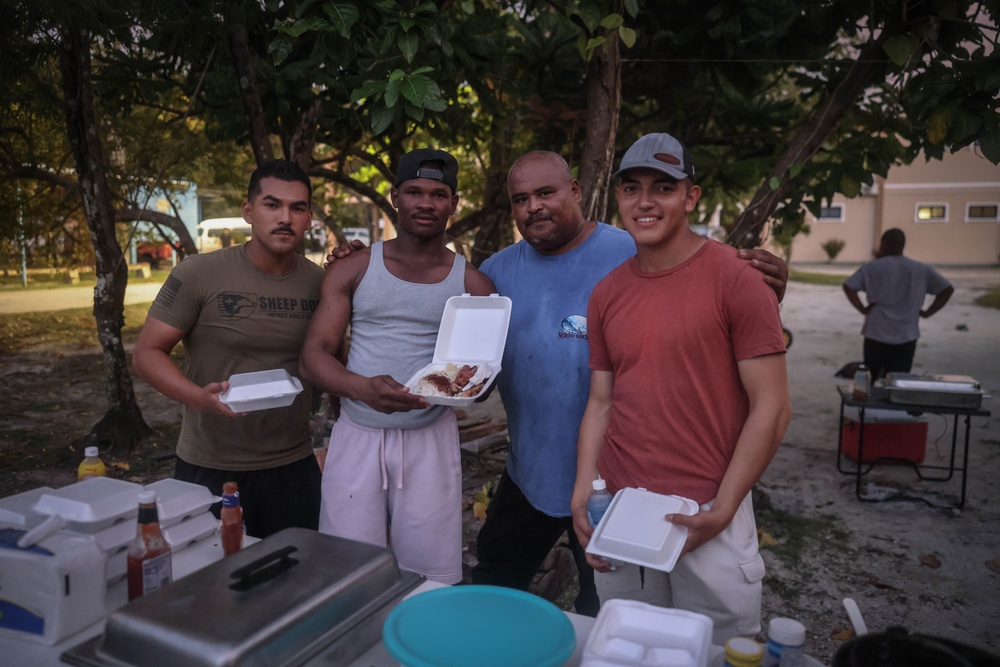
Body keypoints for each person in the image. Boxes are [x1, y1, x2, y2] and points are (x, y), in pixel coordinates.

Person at [469, 150, 789, 617]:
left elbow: (708, 295)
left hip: (617, 483)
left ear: (576, 191)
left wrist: (763, 289)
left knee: (612, 614)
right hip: (532, 473)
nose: (533, 206)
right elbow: (462, 345)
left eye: (546, 192)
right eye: (521, 198)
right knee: (495, 592)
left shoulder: (633, 249)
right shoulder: (498, 272)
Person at [570, 133, 791, 644]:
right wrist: (584, 491)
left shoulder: (737, 280)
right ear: (618, 198)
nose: (645, 201)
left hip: (707, 506)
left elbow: (772, 408)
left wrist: (724, 508)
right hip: (623, 506)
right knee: (631, 644)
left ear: (691, 197)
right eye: (632, 188)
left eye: (663, 187)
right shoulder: (607, 294)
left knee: (716, 650)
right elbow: (601, 401)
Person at [299, 148, 495, 585]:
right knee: (347, 568)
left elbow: (480, 371)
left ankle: (415, 648)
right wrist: (361, 388)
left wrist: (473, 386)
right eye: (414, 191)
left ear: (453, 203)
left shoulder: (473, 283)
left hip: (430, 438)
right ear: (395, 197)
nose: (426, 202)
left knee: (428, 572)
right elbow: (313, 356)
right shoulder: (354, 267)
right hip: (358, 435)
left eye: (438, 194)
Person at [132, 159, 324, 538]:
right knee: (213, 583)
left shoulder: (320, 283)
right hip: (211, 464)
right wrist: (198, 397)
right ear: (248, 212)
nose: (285, 217)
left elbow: (331, 360)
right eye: (272, 205)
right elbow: (146, 354)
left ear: (308, 217)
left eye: (297, 207)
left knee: (297, 580)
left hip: (293, 464)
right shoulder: (198, 273)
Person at [843, 228, 953, 380]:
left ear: (884, 244)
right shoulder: (921, 269)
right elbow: (946, 290)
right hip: (906, 334)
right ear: (902, 245)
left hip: (876, 332)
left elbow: (849, 286)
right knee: (898, 379)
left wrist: (863, 309)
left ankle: (870, 402)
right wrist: (927, 312)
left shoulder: (872, 268)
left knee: (870, 378)